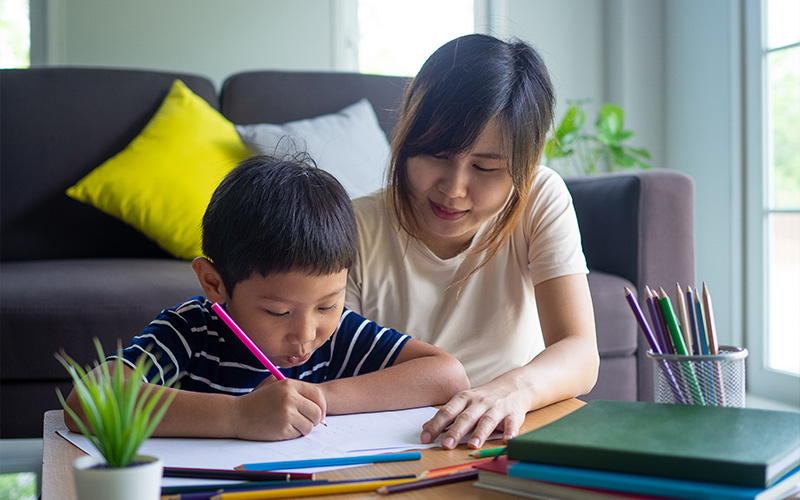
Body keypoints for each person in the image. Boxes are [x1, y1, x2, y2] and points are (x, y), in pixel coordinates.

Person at [65, 154, 469, 441]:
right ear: (214, 284)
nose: (306, 334)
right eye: (278, 311)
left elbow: (447, 374)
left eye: (327, 304)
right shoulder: (191, 329)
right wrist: (238, 416)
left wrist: (318, 398)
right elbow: (87, 402)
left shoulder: (339, 332)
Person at [345, 34, 599, 450]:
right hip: (395, 437)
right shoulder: (357, 225)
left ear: (524, 167)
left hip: (508, 426)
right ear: (407, 139)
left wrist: (513, 389)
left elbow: (580, 352)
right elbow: (335, 367)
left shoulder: (538, 198)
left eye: (485, 168)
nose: (454, 188)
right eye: (438, 157)